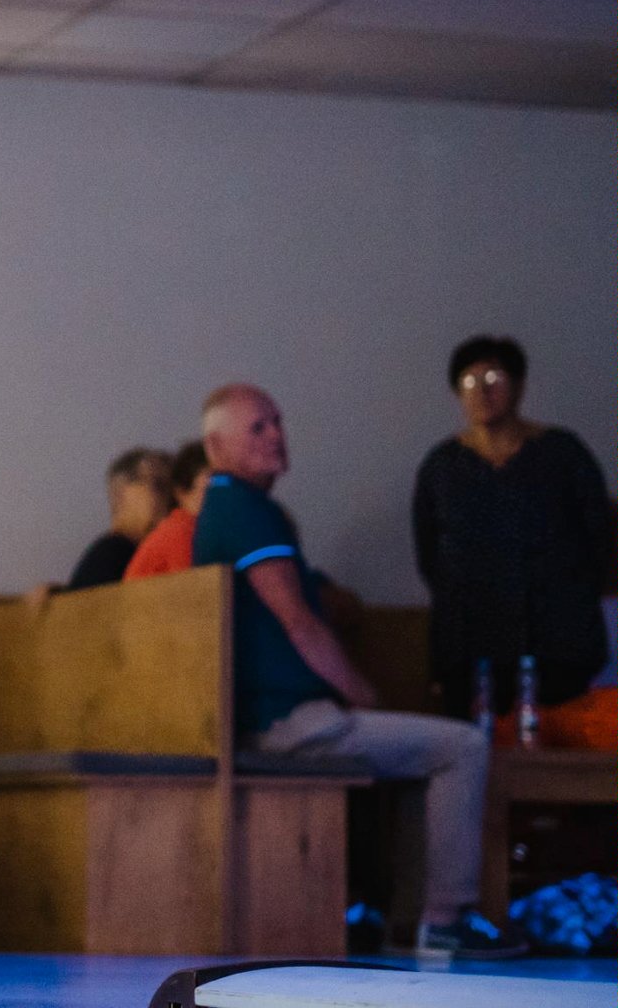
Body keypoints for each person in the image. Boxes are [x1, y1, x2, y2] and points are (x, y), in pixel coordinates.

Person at [193, 383, 523, 958]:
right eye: (257, 428)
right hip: (289, 723)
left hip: (268, 718)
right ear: (215, 446)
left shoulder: (227, 508)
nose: (277, 435)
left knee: (426, 753)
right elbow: (297, 621)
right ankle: (443, 920)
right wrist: (359, 691)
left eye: (278, 421)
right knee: (463, 746)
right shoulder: (247, 511)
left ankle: (409, 922)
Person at [413, 336, 614, 725]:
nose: (483, 391)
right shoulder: (442, 467)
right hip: (471, 643)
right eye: (470, 383)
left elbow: (599, 539)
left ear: (518, 385)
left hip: (558, 639)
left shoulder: (562, 452)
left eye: (493, 377)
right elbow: (430, 555)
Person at [66, 447, 171, 590]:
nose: (169, 496)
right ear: (121, 491)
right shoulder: (113, 555)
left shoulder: (109, 555)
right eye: (158, 484)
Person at [125, 440, 211, 581]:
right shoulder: (181, 532)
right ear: (182, 492)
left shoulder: (182, 529)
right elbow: (196, 590)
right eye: (210, 488)